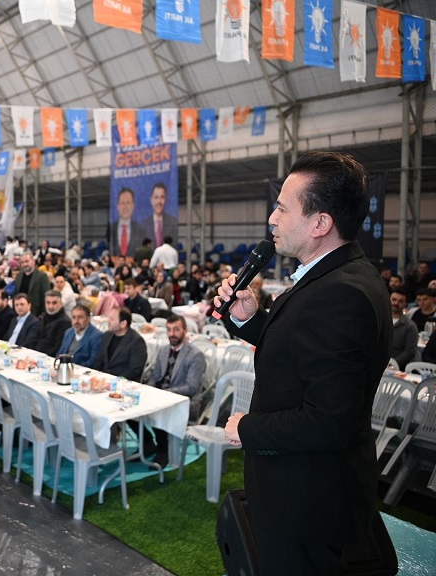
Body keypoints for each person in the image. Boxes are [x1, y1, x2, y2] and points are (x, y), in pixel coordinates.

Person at [216, 151, 393, 574]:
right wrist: (249, 320)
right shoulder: (333, 277)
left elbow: (328, 421)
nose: (272, 219)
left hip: (309, 506)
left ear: (320, 223)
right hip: (302, 494)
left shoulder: (340, 294)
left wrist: (247, 427)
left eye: (282, 208)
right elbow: (301, 352)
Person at [144, 314, 206, 466]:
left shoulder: (195, 355)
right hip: (162, 395)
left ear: (185, 330)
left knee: (159, 409)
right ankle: (146, 443)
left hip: (184, 401)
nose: (172, 334)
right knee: (132, 407)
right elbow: (155, 376)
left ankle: (163, 450)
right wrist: (148, 390)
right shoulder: (163, 350)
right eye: (169, 330)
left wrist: (166, 394)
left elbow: (192, 387)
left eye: (176, 329)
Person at [94, 306, 147, 382]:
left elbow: (133, 370)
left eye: (112, 319)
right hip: (104, 379)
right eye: (109, 317)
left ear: (123, 324)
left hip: (123, 382)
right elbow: (99, 360)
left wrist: (115, 381)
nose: (108, 321)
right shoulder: (107, 335)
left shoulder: (136, 342)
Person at [56, 302, 103, 367]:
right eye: (74, 317)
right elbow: (60, 353)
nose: (76, 321)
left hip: (81, 369)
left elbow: (93, 361)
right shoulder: (69, 332)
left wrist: (73, 367)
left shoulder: (96, 336)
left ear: (88, 319)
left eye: (80, 317)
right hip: (64, 367)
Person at [109, 187, 149, 258]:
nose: (125, 207)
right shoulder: (111, 228)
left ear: (133, 206)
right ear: (118, 206)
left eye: (128, 203)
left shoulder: (140, 230)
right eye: (123, 203)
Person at [35, 290, 71, 357]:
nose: (50, 306)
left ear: (61, 303)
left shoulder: (65, 322)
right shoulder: (43, 317)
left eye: (54, 303)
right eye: (48, 303)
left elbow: (58, 348)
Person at [13, 252, 50, 317]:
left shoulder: (42, 276)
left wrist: (43, 314)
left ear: (33, 261)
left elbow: (45, 296)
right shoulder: (19, 275)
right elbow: (16, 293)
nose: (25, 264)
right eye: (22, 262)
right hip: (20, 312)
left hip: (35, 313)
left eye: (27, 261)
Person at [389, 290, 418, 371]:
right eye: (394, 299)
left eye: (400, 301)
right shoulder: (380, 321)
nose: (396, 303)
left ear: (405, 304)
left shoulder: (410, 326)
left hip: (397, 368)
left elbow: (410, 351)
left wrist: (392, 363)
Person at [149, 182, 178, 248]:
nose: (159, 202)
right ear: (151, 200)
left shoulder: (173, 223)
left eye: (162, 197)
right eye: (156, 197)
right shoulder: (144, 225)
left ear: (166, 199)